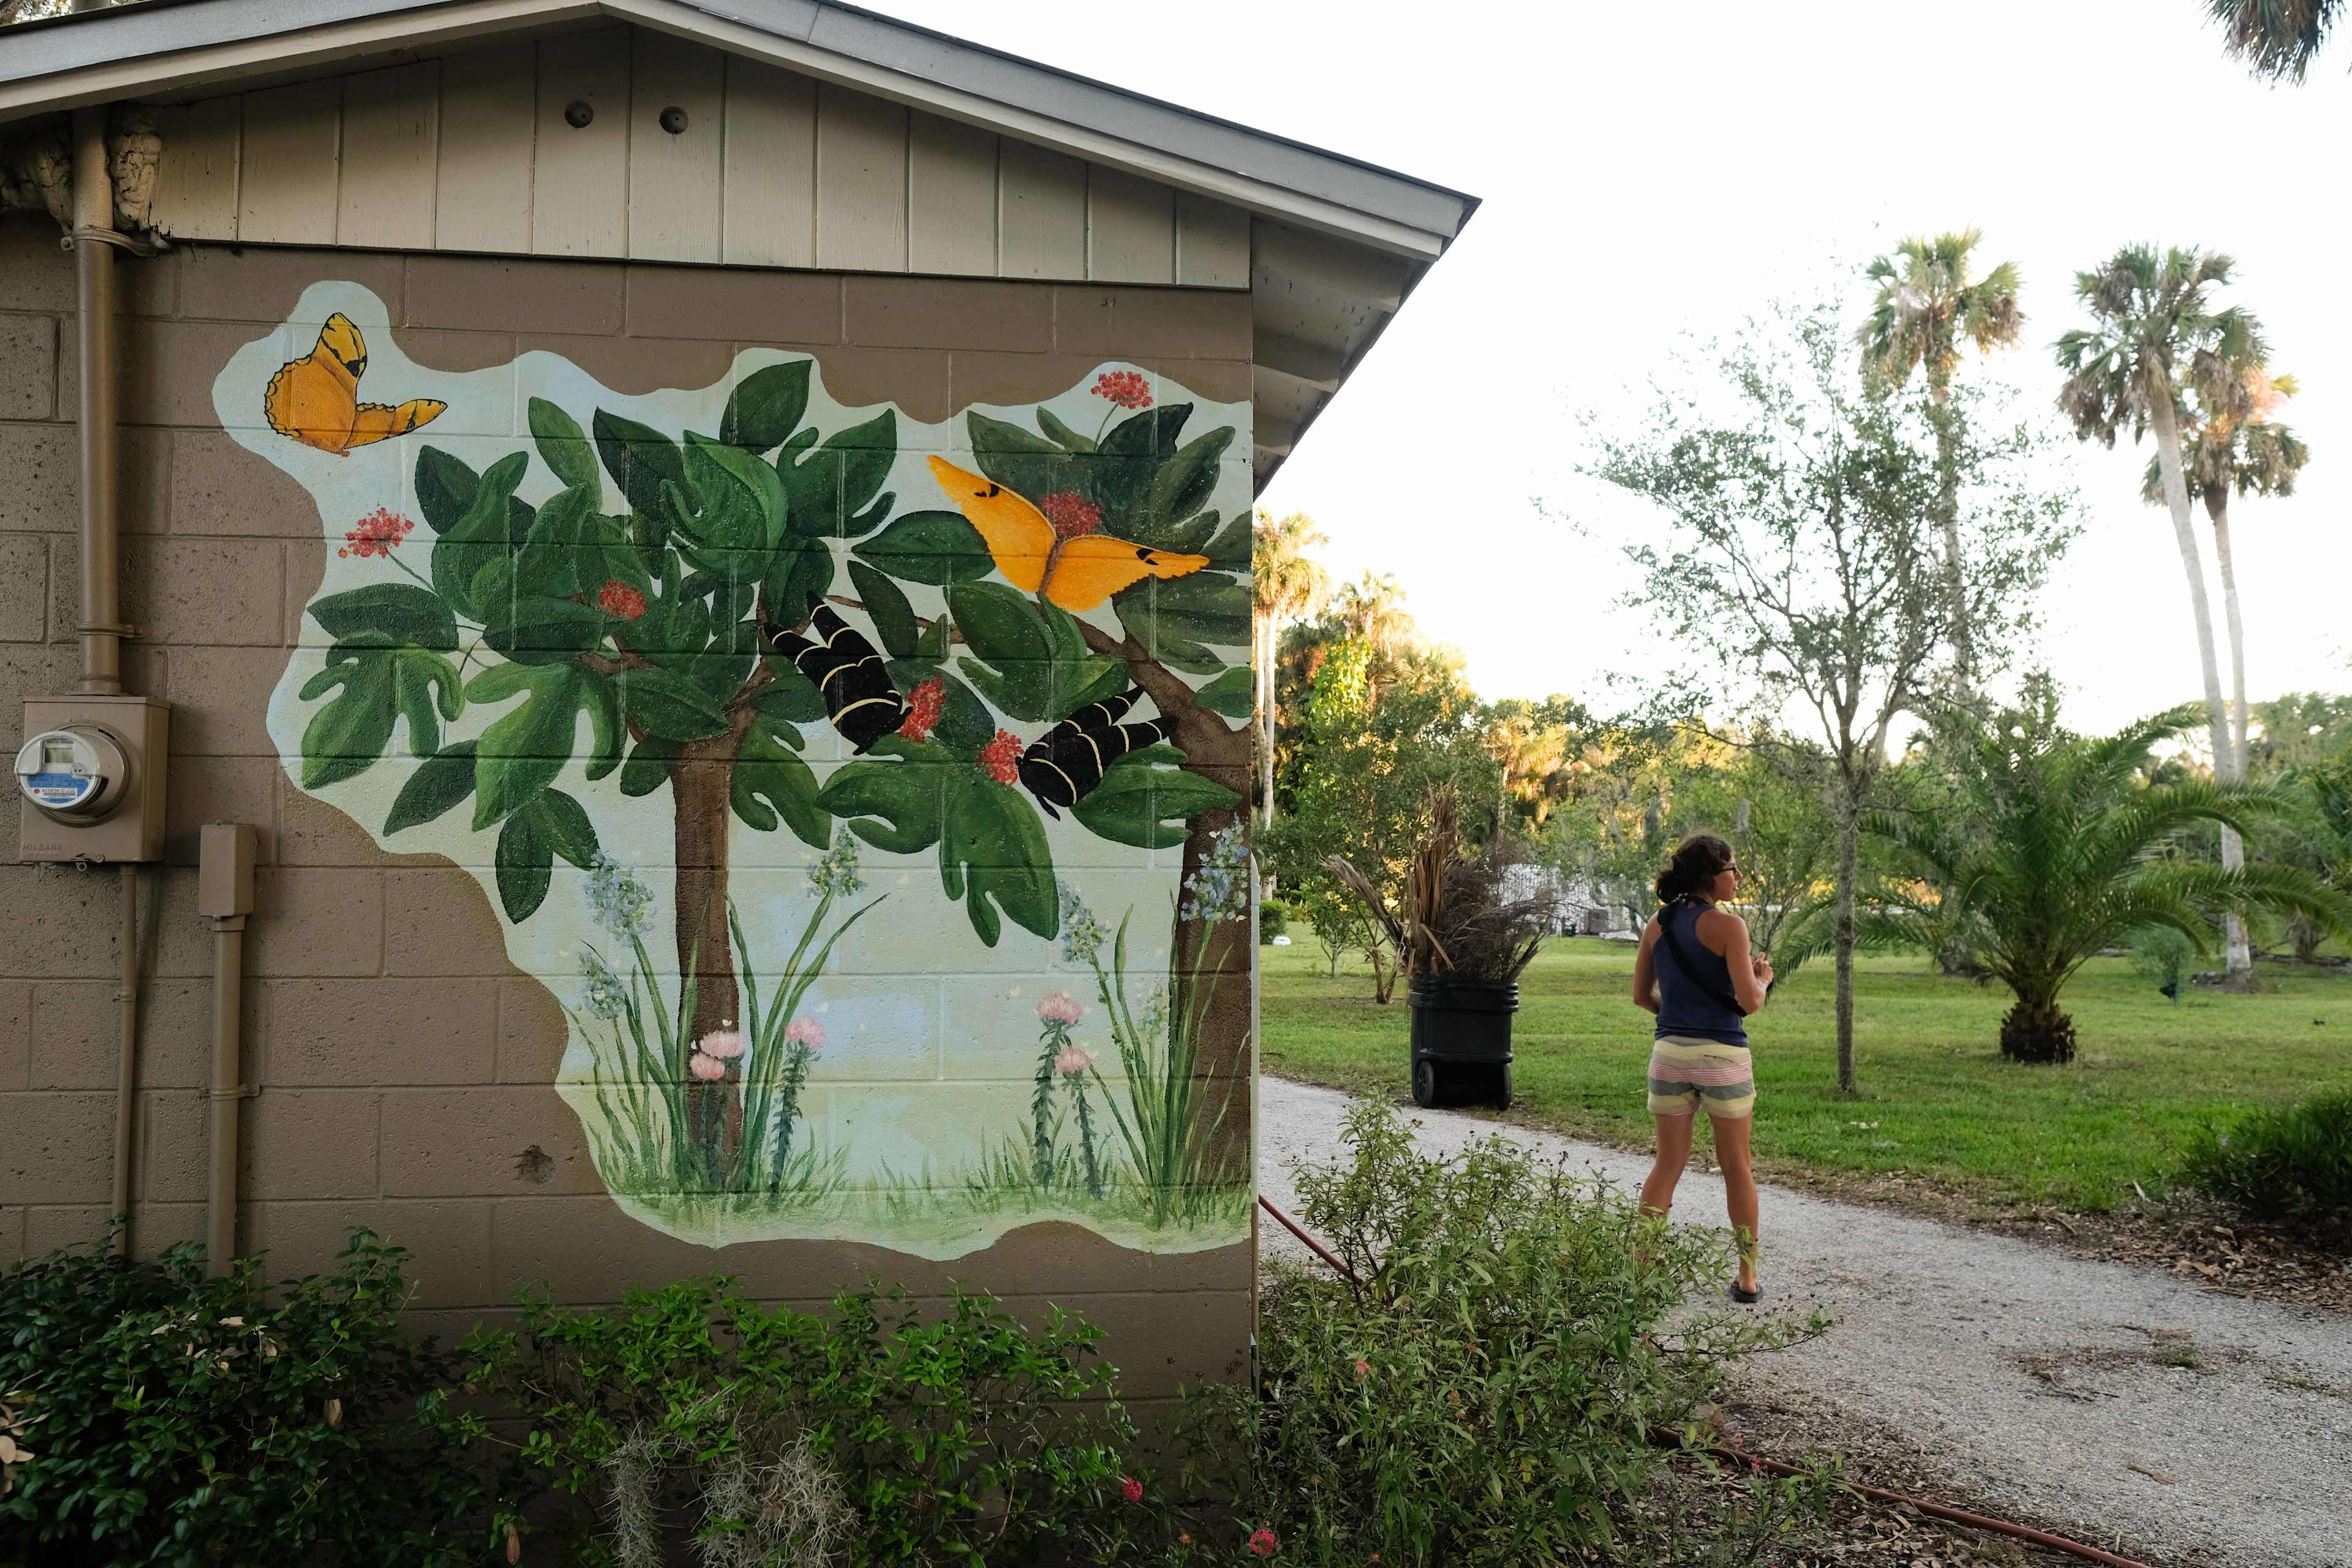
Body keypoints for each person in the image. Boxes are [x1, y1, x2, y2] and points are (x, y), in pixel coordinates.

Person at [1631, 833, 1771, 1302]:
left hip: (1668, 1056)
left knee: (1667, 1164)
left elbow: (1640, 996)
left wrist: (1675, 1020)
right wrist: (1763, 979)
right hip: (1723, 1059)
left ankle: (1642, 1267)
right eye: (1734, 870)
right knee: (1737, 1167)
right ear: (1713, 875)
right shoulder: (1731, 928)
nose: (1739, 878)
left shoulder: (1658, 924)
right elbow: (1749, 1003)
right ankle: (1747, 1277)